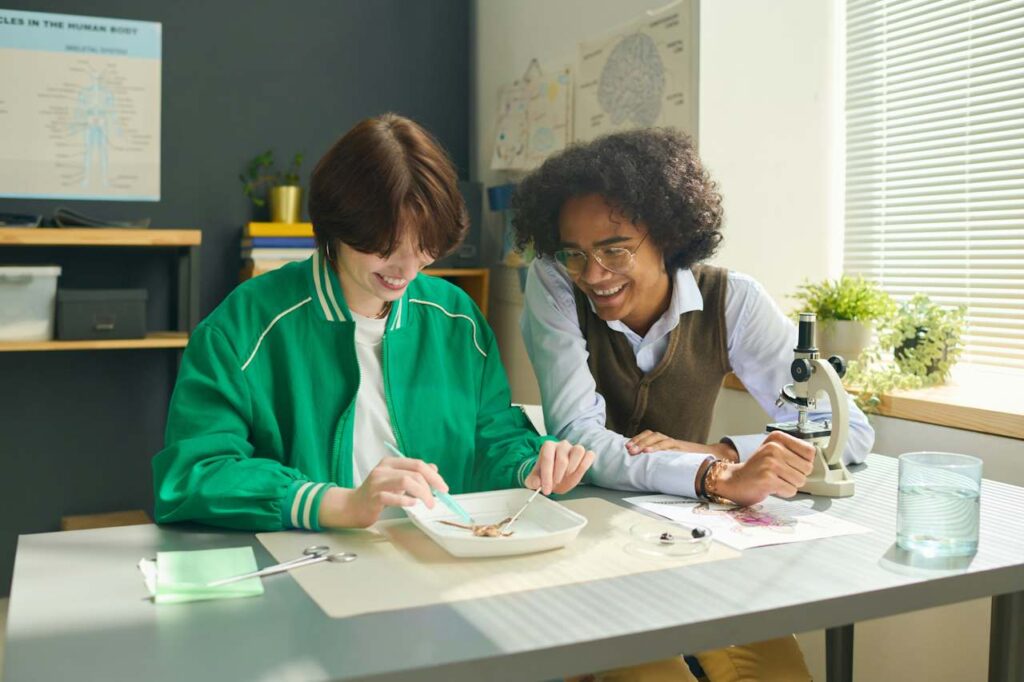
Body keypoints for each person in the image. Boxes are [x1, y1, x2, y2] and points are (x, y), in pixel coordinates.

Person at [512, 127, 874, 682]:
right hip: (584, 542)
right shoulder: (553, 284)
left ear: (667, 236)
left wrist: (720, 451)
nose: (593, 274)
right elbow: (580, 437)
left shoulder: (734, 299)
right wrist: (712, 473)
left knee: (776, 672)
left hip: (690, 540)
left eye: (614, 249)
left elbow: (850, 432)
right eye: (576, 254)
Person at [153, 113, 595, 532]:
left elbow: (492, 436)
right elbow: (194, 474)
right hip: (313, 561)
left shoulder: (457, 319)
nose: (406, 269)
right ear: (338, 225)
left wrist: (532, 463)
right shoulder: (243, 328)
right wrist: (339, 503)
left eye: (425, 247)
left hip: (441, 555)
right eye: (385, 246)